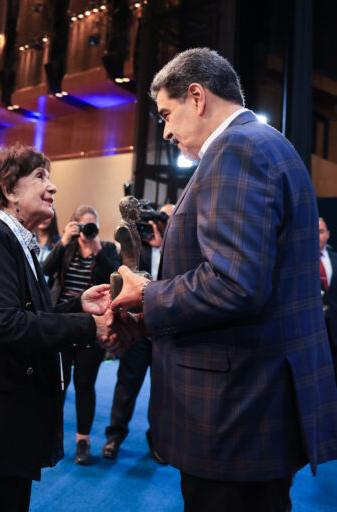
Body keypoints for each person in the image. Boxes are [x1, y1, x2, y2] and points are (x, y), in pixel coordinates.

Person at [110, 48, 337, 511]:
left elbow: (234, 284)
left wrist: (147, 295)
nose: (167, 131)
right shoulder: (263, 143)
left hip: (234, 413)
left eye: (167, 114)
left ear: (197, 96)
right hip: (252, 403)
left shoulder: (237, 150)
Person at [0, 144, 129, 512]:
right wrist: (88, 326)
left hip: (7, 420)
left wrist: (75, 306)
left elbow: (32, 313)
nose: (52, 188)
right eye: (40, 177)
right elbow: (5, 324)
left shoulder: (16, 244)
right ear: (8, 189)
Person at [41, 205, 121, 465]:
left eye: (92, 225)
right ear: (74, 225)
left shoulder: (106, 249)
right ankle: (52, 436)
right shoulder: (67, 247)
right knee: (59, 384)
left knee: (85, 384)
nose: (88, 231)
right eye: (84, 225)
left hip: (91, 326)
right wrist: (63, 241)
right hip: (62, 323)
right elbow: (45, 270)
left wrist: (98, 250)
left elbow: (116, 281)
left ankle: (82, 441)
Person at [103, 203, 173, 463]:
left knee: (163, 391)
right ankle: (114, 436)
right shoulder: (139, 247)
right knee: (126, 385)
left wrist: (164, 243)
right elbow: (124, 270)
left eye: (164, 218)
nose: (157, 223)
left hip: (165, 331)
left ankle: (157, 441)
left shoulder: (176, 248)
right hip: (138, 329)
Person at [319, 217, 337, 383]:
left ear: (328, 234)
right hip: (315, 329)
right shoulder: (301, 262)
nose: (318, 236)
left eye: (321, 232)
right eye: (314, 232)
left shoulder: (335, 259)